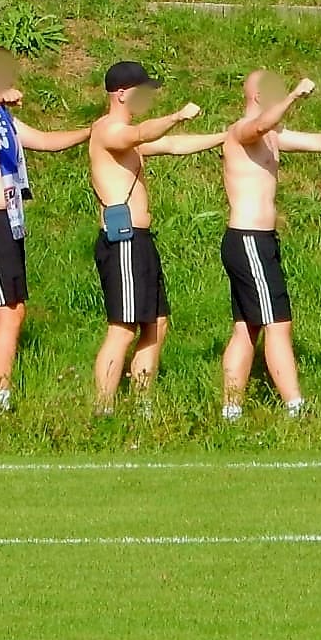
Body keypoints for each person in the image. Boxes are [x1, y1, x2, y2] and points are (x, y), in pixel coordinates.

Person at [0, 45, 92, 413]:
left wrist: (91, 130)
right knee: (10, 313)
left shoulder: (4, 120)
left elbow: (44, 140)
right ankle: (1, 401)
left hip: (4, 220)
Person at [218, 71, 321, 421]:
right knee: (277, 324)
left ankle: (231, 410)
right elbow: (261, 125)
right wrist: (294, 96)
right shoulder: (243, 131)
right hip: (248, 240)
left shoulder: (273, 137)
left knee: (246, 327)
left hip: (258, 241)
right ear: (257, 95)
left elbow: (318, 141)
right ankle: (295, 406)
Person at [86, 61, 221, 414]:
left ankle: (143, 407)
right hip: (124, 242)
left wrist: (226, 135)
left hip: (140, 242)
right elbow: (143, 134)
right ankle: (103, 409)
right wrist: (177, 115)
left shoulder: (129, 137)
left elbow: (173, 145)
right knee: (123, 328)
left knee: (156, 323)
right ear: (121, 94)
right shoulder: (110, 131)